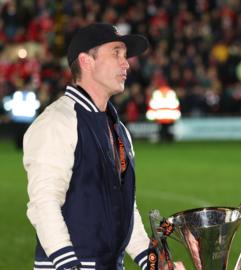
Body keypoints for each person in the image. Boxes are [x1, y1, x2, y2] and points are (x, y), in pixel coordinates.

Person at [23, 23, 184, 270]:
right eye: (116, 53)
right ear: (86, 61)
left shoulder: (118, 129)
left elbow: (125, 210)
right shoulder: (57, 121)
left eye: (125, 55)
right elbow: (43, 204)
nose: (126, 63)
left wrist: (153, 262)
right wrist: (69, 266)